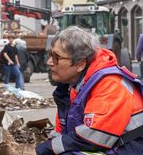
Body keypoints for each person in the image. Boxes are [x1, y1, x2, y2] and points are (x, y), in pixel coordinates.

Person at [36, 26, 143, 155]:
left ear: (81, 64)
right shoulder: (71, 87)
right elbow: (63, 131)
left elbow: (94, 137)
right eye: (50, 55)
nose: (49, 62)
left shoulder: (110, 83)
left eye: (56, 57)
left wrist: (45, 149)